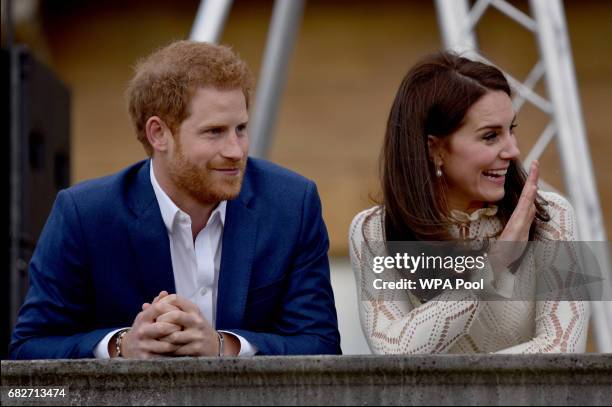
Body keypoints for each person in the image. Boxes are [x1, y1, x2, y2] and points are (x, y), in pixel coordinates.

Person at [10, 40, 341, 359]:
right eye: (214, 132)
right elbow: (28, 347)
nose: (236, 150)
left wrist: (223, 346)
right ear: (158, 134)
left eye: (240, 128)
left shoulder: (292, 204)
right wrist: (122, 346)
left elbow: (322, 344)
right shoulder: (85, 215)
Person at [349, 52, 589, 354]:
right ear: (434, 149)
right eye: (491, 136)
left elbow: (562, 350)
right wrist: (493, 266)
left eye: (510, 130)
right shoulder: (374, 231)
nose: (513, 151)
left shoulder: (552, 217)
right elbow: (393, 352)